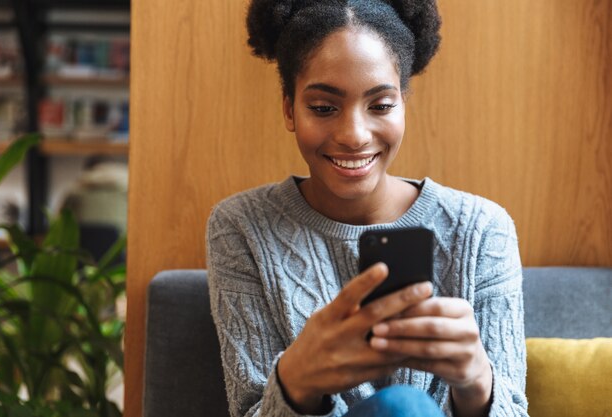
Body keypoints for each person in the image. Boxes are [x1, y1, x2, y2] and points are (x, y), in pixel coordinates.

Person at [206, 1, 528, 416]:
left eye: (380, 105)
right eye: (323, 108)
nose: (354, 135)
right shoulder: (241, 227)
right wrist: (296, 380)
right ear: (289, 108)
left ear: (404, 103)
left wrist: (477, 381)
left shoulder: (483, 229)